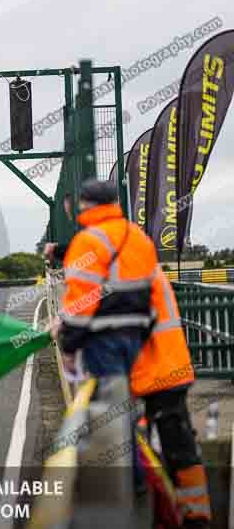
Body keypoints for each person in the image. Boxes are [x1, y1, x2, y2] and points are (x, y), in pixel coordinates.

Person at [51, 179, 158, 380]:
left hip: (104, 336)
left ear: (84, 204)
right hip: (139, 333)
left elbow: (81, 301)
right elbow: (153, 288)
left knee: (111, 402)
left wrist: (69, 347)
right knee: (131, 399)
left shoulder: (86, 241)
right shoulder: (138, 237)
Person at [130, 268, 211, 526]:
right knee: (175, 447)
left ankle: (194, 517)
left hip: (161, 374)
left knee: (175, 450)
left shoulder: (130, 272)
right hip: (167, 371)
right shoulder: (142, 265)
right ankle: (185, 514)